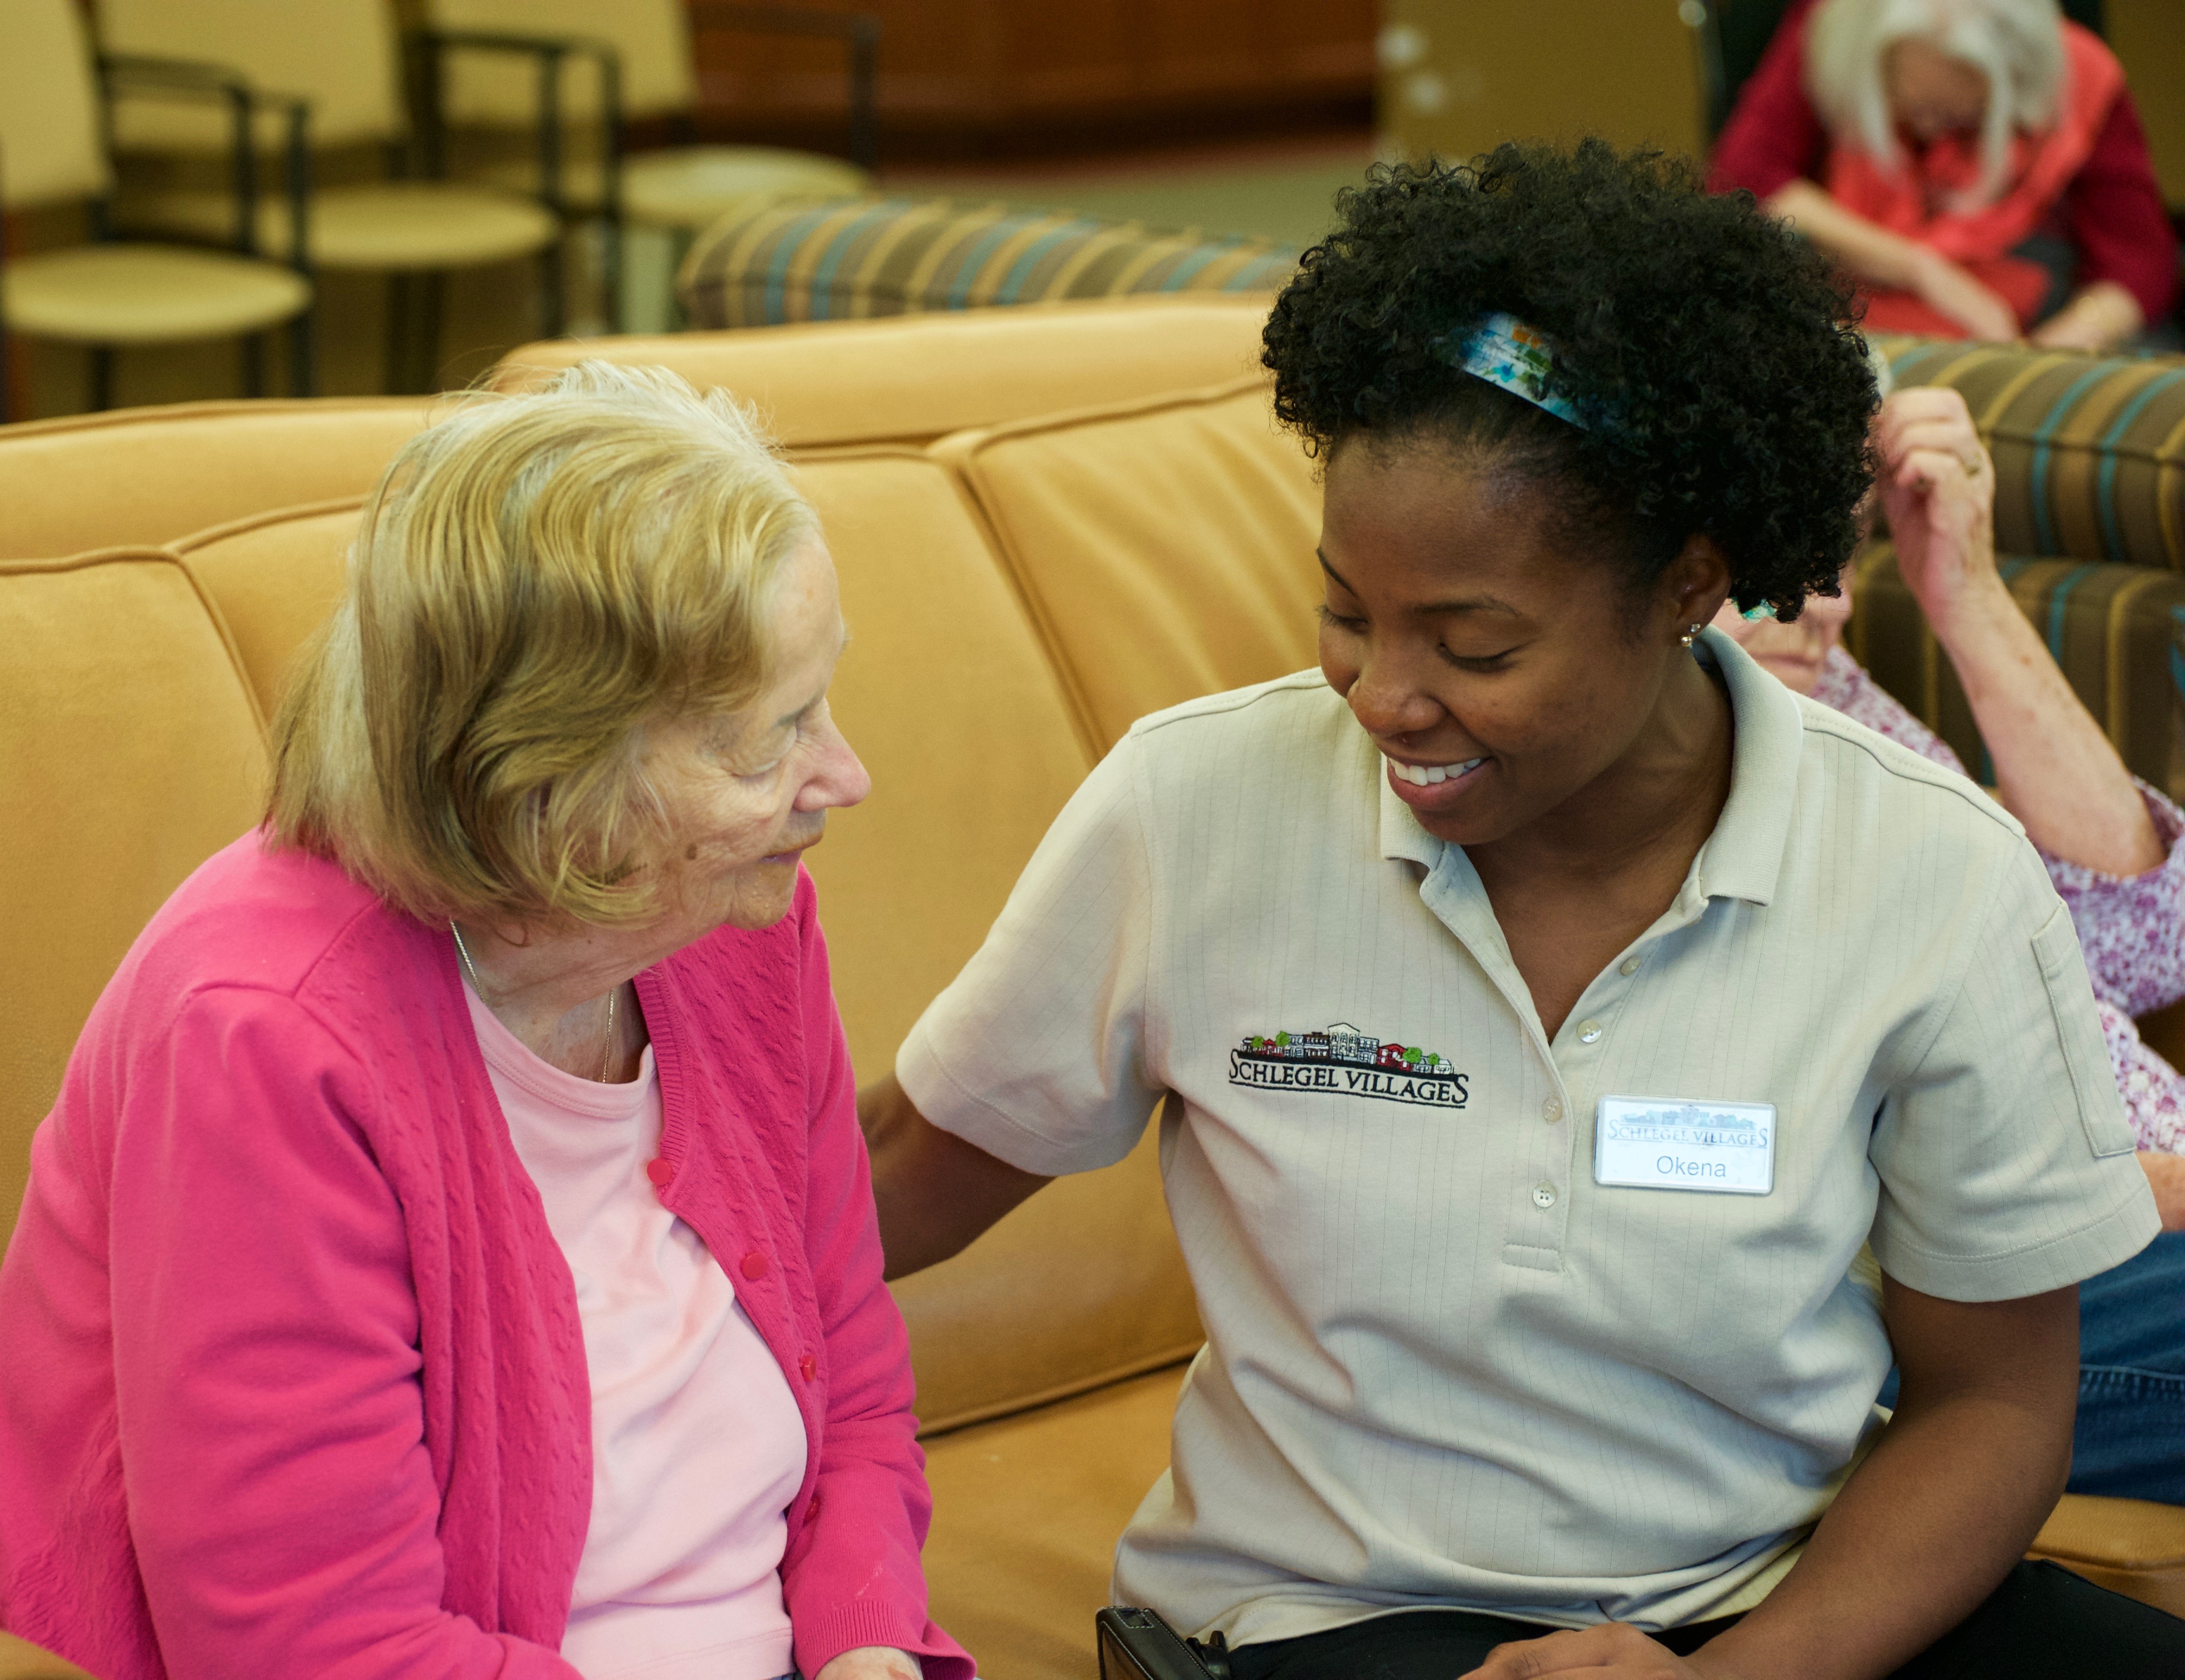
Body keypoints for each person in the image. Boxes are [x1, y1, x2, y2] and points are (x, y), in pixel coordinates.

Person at [862, 141, 2185, 1679]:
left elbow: (1995, 1402)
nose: (1384, 697)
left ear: (1691, 585)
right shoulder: (1197, 809)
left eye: (1474, 647)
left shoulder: (1925, 870)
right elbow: (883, 1180)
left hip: (1781, 1598)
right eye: (1347, 615)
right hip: (1338, 1616)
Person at [0, 362, 968, 1680]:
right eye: (767, 743)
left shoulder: (740, 930)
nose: (844, 777)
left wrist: (867, 1647)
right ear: (548, 794)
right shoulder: (264, 1036)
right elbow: (316, 1648)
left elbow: (860, 1396)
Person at [1710, 380, 2185, 1505]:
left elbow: (2140, 941)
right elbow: (1864, 1176)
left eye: (1837, 551)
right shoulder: (1683, 756)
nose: (1826, 606)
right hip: (1992, 1282)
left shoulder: (1826, 690)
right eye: (1771, 555)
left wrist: (1960, 586)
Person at [1710, 0, 2177, 351]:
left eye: (1960, 119)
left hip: (2023, 332)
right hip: (1853, 325)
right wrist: (1924, 271)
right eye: (1914, 111)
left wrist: (2053, 352)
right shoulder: (1838, 29)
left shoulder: (2081, 80)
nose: (1932, 133)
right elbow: (1744, 181)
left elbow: (2139, 265)